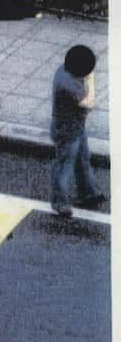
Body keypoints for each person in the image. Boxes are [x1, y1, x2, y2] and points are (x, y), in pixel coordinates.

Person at [49, 44, 106, 217]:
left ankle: (88, 193)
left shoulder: (64, 71)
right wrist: (90, 78)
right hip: (67, 133)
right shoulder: (68, 85)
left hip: (76, 128)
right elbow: (89, 101)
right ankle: (59, 202)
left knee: (83, 160)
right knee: (64, 167)